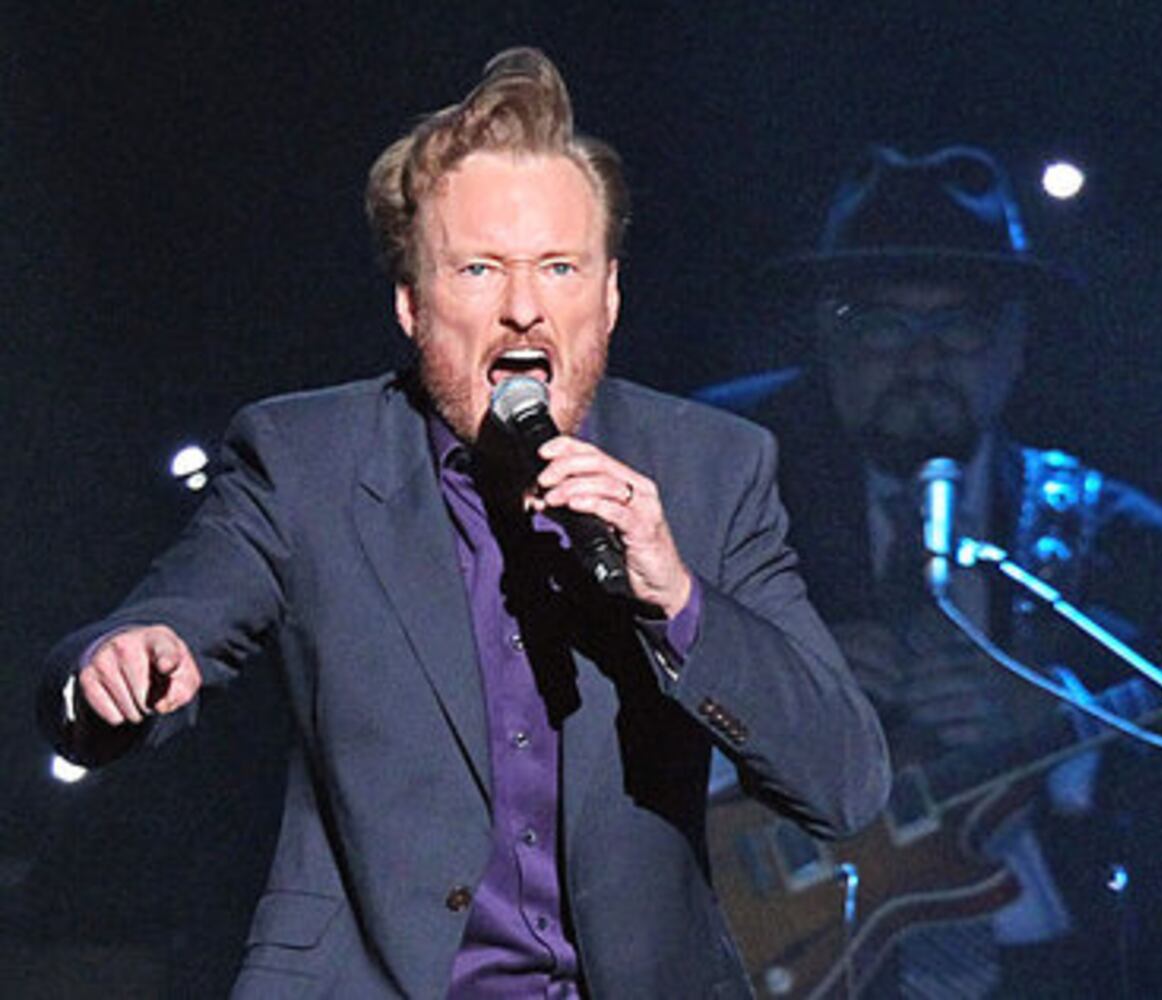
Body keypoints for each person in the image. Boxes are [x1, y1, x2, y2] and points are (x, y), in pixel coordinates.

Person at [38, 48, 889, 998]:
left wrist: (678, 599)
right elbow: (158, 627)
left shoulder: (711, 469)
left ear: (608, 295)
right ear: (412, 304)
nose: (524, 310)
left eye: (559, 268)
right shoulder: (308, 461)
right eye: (480, 269)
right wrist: (120, 666)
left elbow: (846, 784)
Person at [705, 145, 1162, 996]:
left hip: (1044, 969)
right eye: (883, 325)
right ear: (828, 333)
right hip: (779, 955)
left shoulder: (1118, 537)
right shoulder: (711, 488)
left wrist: (1061, 729)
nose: (922, 362)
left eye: (960, 325)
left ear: (1016, 343)